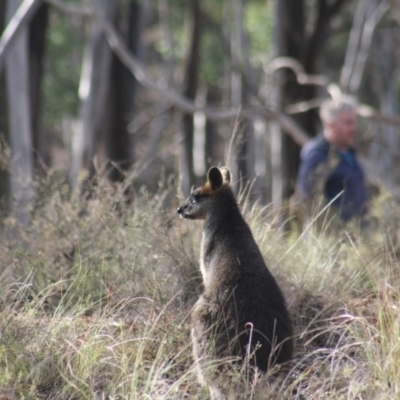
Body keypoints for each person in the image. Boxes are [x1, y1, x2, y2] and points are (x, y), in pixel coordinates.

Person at [295, 99, 368, 222]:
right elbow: (305, 199)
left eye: (354, 123)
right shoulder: (317, 156)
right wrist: (329, 230)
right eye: (348, 123)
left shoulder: (350, 153)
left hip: (357, 235)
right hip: (332, 237)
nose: (354, 128)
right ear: (330, 124)